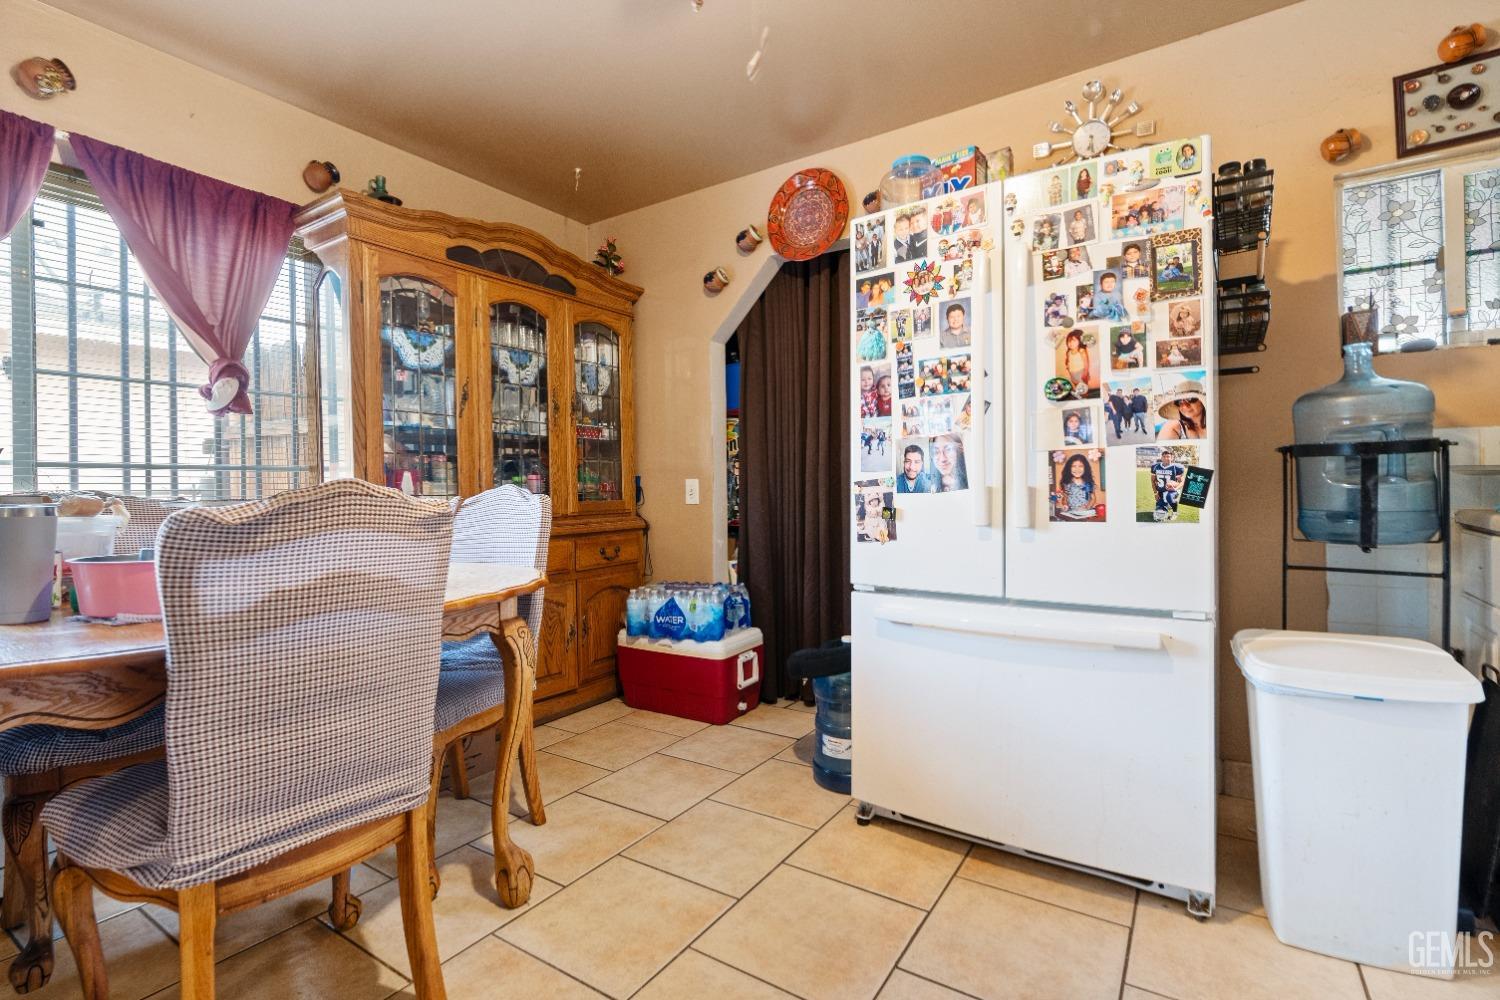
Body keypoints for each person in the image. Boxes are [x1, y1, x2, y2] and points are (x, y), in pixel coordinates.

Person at [1052, 453, 1098, 519]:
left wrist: (1087, 507)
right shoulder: (1066, 483)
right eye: (1073, 466)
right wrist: (1065, 505)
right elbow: (1065, 498)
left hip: (1084, 513)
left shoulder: (1088, 483)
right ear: (1069, 468)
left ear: (1085, 468)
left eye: (1081, 466)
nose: (1077, 469)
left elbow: (1093, 498)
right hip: (1071, 513)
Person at [1150, 447, 1187, 521]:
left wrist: (1176, 488)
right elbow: (1153, 481)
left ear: (1172, 458)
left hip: (1172, 491)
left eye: (1168, 456)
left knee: (1169, 496)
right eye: (1164, 456)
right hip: (1161, 492)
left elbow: (1182, 481)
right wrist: (1155, 493)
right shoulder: (1155, 467)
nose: (1166, 458)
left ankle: (1175, 513)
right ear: (1161, 457)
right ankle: (1167, 505)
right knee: (1159, 514)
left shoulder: (1176, 467)